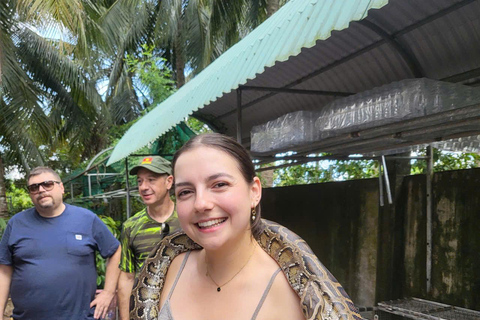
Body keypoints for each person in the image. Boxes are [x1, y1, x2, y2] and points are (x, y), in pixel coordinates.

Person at [154, 133, 305, 320]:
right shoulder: (173, 267)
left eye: (219, 184)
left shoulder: (293, 295)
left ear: (254, 192)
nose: (200, 203)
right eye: (185, 192)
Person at [0, 167, 121, 320]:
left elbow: (116, 250)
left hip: (81, 316)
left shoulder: (86, 219)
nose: (41, 190)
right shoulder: (16, 223)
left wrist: (109, 292)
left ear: (61, 187)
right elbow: (3, 270)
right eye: (34, 187)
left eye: (48, 184)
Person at [117, 156, 179, 320]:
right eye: (139, 181)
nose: (143, 187)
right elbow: (126, 277)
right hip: (145, 310)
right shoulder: (131, 226)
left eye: (151, 180)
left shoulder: (189, 218)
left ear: (169, 181)